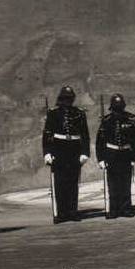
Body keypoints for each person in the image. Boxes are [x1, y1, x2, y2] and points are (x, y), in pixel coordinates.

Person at [42, 85, 90, 223]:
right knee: (59, 183)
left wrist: (84, 152)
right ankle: (61, 213)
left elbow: (85, 135)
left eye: (70, 98)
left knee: (73, 182)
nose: (67, 101)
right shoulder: (53, 113)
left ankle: (72, 211)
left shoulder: (79, 113)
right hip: (59, 148)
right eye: (65, 98)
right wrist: (47, 152)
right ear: (61, 99)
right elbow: (47, 134)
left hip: (74, 149)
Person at [96, 93, 135, 218]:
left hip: (126, 153)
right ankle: (114, 209)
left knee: (126, 183)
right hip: (111, 154)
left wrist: (134, 157)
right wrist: (101, 159)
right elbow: (100, 141)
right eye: (116, 107)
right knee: (113, 184)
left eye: (120, 107)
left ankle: (126, 208)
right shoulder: (106, 120)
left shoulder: (131, 119)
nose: (118, 110)